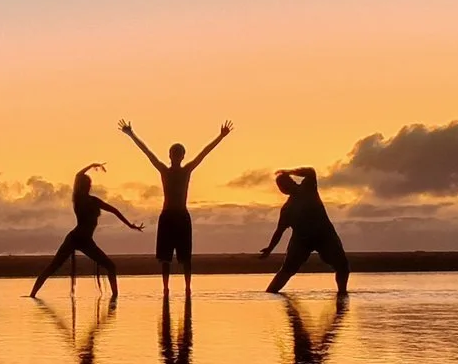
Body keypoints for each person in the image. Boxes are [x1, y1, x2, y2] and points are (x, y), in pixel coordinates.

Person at [117, 118, 232, 291]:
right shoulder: (164, 170)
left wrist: (221, 136)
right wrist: (131, 134)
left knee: (185, 257)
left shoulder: (187, 170)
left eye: (179, 154)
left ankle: (187, 287)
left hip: (181, 216)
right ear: (170, 156)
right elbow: (147, 152)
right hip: (168, 216)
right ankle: (166, 288)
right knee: (165, 258)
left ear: (182, 156)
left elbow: (204, 153)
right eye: (174, 154)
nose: (176, 157)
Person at [30, 164, 141, 300]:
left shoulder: (94, 201)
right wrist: (92, 165)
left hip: (87, 241)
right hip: (74, 238)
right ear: (81, 186)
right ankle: (32, 295)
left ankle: (115, 298)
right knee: (53, 266)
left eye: (89, 184)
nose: (88, 186)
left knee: (111, 266)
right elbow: (78, 175)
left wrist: (130, 225)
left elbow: (114, 210)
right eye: (86, 184)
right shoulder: (78, 199)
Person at [258, 168, 349, 294]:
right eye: (280, 187)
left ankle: (342, 297)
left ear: (291, 182)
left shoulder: (308, 188)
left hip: (324, 236)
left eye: (284, 185)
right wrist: (269, 249)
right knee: (287, 270)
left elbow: (310, 171)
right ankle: (270, 293)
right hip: (302, 241)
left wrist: (289, 171)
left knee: (342, 266)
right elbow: (279, 231)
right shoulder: (287, 209)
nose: (283, 189)